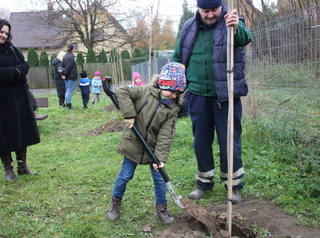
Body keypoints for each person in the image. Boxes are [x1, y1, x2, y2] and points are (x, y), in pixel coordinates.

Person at [173, 0, 252, 204]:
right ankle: (204, 182)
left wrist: (235, 27)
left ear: (221, 8)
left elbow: (245, 39)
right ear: (198, 9)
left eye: (213, 10)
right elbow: (177, 56)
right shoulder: (189, 26)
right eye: (205, 11)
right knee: (201, 141)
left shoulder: (232, 21)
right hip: (197, 94)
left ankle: (233, 186)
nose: (209, 15)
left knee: (229, 142)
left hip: (226, 95)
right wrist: (174, 84)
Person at [106, 62, 186, 225]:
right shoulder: (144, 91)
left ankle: (162, 209)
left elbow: (166, 135)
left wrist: (161, 158)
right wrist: (130, 115)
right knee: (125, 175)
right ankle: (115, 204)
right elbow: (121, 91)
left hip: (153, 149)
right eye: (172, 91)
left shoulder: (173, 109)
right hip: (133, 143)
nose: (174, 96)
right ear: (164, 84)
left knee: (159, 179)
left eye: (178, 93)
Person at [0, 18, 40, 181]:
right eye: (1, 32)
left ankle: (22, 166)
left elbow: (24, 66)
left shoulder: (11, 49)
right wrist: (14, 73)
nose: (3, 35)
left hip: (18, 97)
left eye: (6, 33)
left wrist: (13, 72)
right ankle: (8, 170)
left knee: (21, 130)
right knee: (3, 133)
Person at [61, 44, 78, 110]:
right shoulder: (71, 56)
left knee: (67, 90)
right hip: (71, 75)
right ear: (72, 49)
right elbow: (69, 67)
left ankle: (67, 103)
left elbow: (62, 66)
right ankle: (69, 104)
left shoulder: (65, 56)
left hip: (66, 76)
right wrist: (65, 74)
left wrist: (63, 74)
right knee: (69, 91)